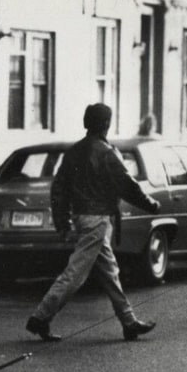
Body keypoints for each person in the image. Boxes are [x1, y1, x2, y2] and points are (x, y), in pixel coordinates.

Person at [26, 103, 162, 342]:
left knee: (110, 272)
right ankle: (40, 317)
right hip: (97, 219)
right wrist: (150, 204)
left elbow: (59, 190)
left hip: (81, 217)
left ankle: (129, 322)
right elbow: (127, 185)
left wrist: (63, 224)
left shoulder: (74, 152)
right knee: (75, 273)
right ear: (106, 124)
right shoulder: (106, 153)